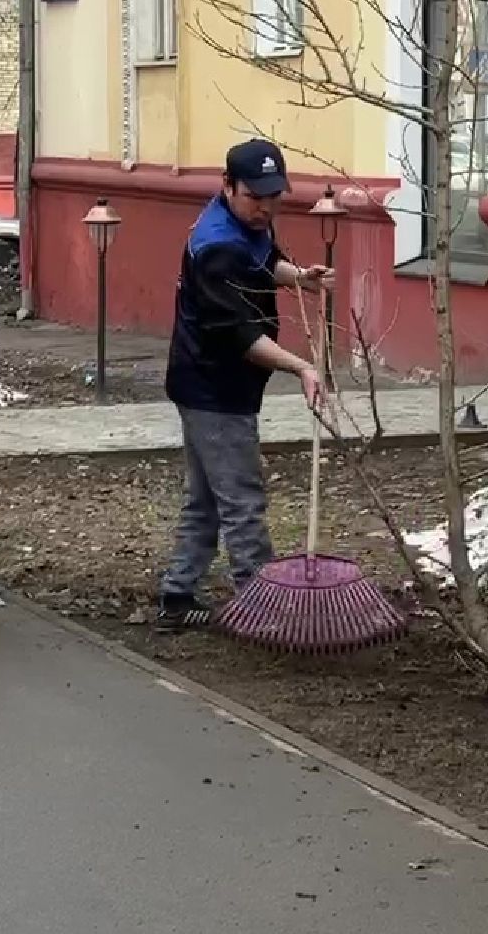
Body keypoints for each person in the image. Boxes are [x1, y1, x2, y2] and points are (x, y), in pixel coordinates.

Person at [156, 138, 331, 632]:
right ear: (228, 187)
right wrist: (302, 368)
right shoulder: (216, 248)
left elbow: (262, 261)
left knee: (209, 498)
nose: (266, 207)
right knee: (242, 502)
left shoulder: (244, 222)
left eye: (274, 196)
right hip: (213, 387)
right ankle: (263, 611)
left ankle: (177, 596)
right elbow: (242, 338)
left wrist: (301, 278)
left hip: (208, 383)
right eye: (256, 197)